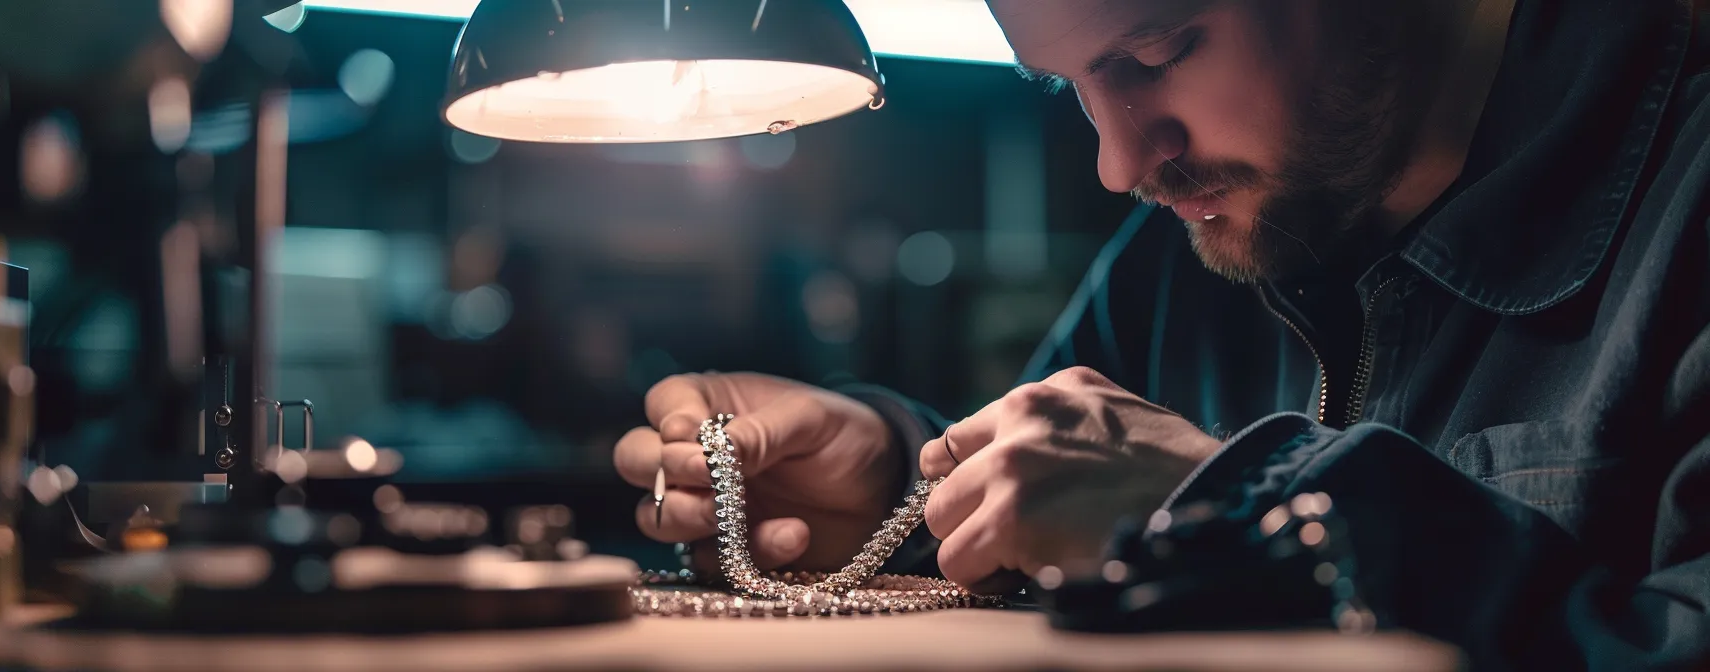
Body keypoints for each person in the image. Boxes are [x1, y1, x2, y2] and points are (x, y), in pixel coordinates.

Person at [614, 0, 1710, 668]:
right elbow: (1070, 500)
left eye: (1153, 52)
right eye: (1068, 86)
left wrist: (1245, 506)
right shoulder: (1182, 263)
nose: (1119, 163)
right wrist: (896, 485)